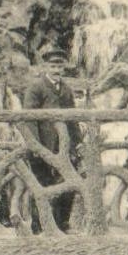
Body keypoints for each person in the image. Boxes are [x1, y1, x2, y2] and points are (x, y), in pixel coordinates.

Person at [21, 44, 80, 231]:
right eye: (53, 66)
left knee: (68, 183)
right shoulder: (36, 88)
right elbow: (29, 118)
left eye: (60, 67)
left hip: (64, 146)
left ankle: (62, 224)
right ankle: (39, 226)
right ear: (45, 67)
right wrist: (36, 146)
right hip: (42, 146)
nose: (56, 70)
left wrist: (77, 144)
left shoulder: (67, 90)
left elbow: (73, 119)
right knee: (42, 185)